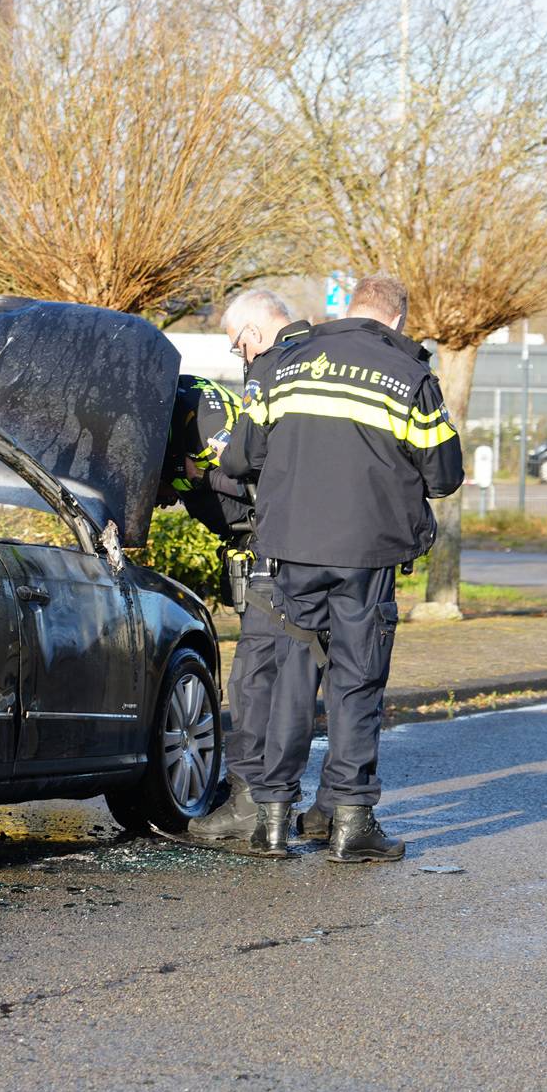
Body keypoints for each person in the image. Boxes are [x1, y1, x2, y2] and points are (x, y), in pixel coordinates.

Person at [221, 275, 463, 862]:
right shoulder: (410, 377)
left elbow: (240, 457)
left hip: (291, 548)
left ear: (350, 309)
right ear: (398, 320)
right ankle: (351, 823)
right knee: (357, 681)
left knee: (291, 677)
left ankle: (272, 820)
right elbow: (445, 475)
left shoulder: (285, 363)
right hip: (367, 554)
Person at [168, 289, 312, 846]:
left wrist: (193, 476)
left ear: (252, 334)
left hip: (274, 550)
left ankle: (254, 801)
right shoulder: (313, 365)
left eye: (237, 346)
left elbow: (248, 471)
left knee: (256, 682)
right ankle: (302, 805)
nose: (240, 356)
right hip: (315, 547)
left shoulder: (260, 379)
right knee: (305, 679)